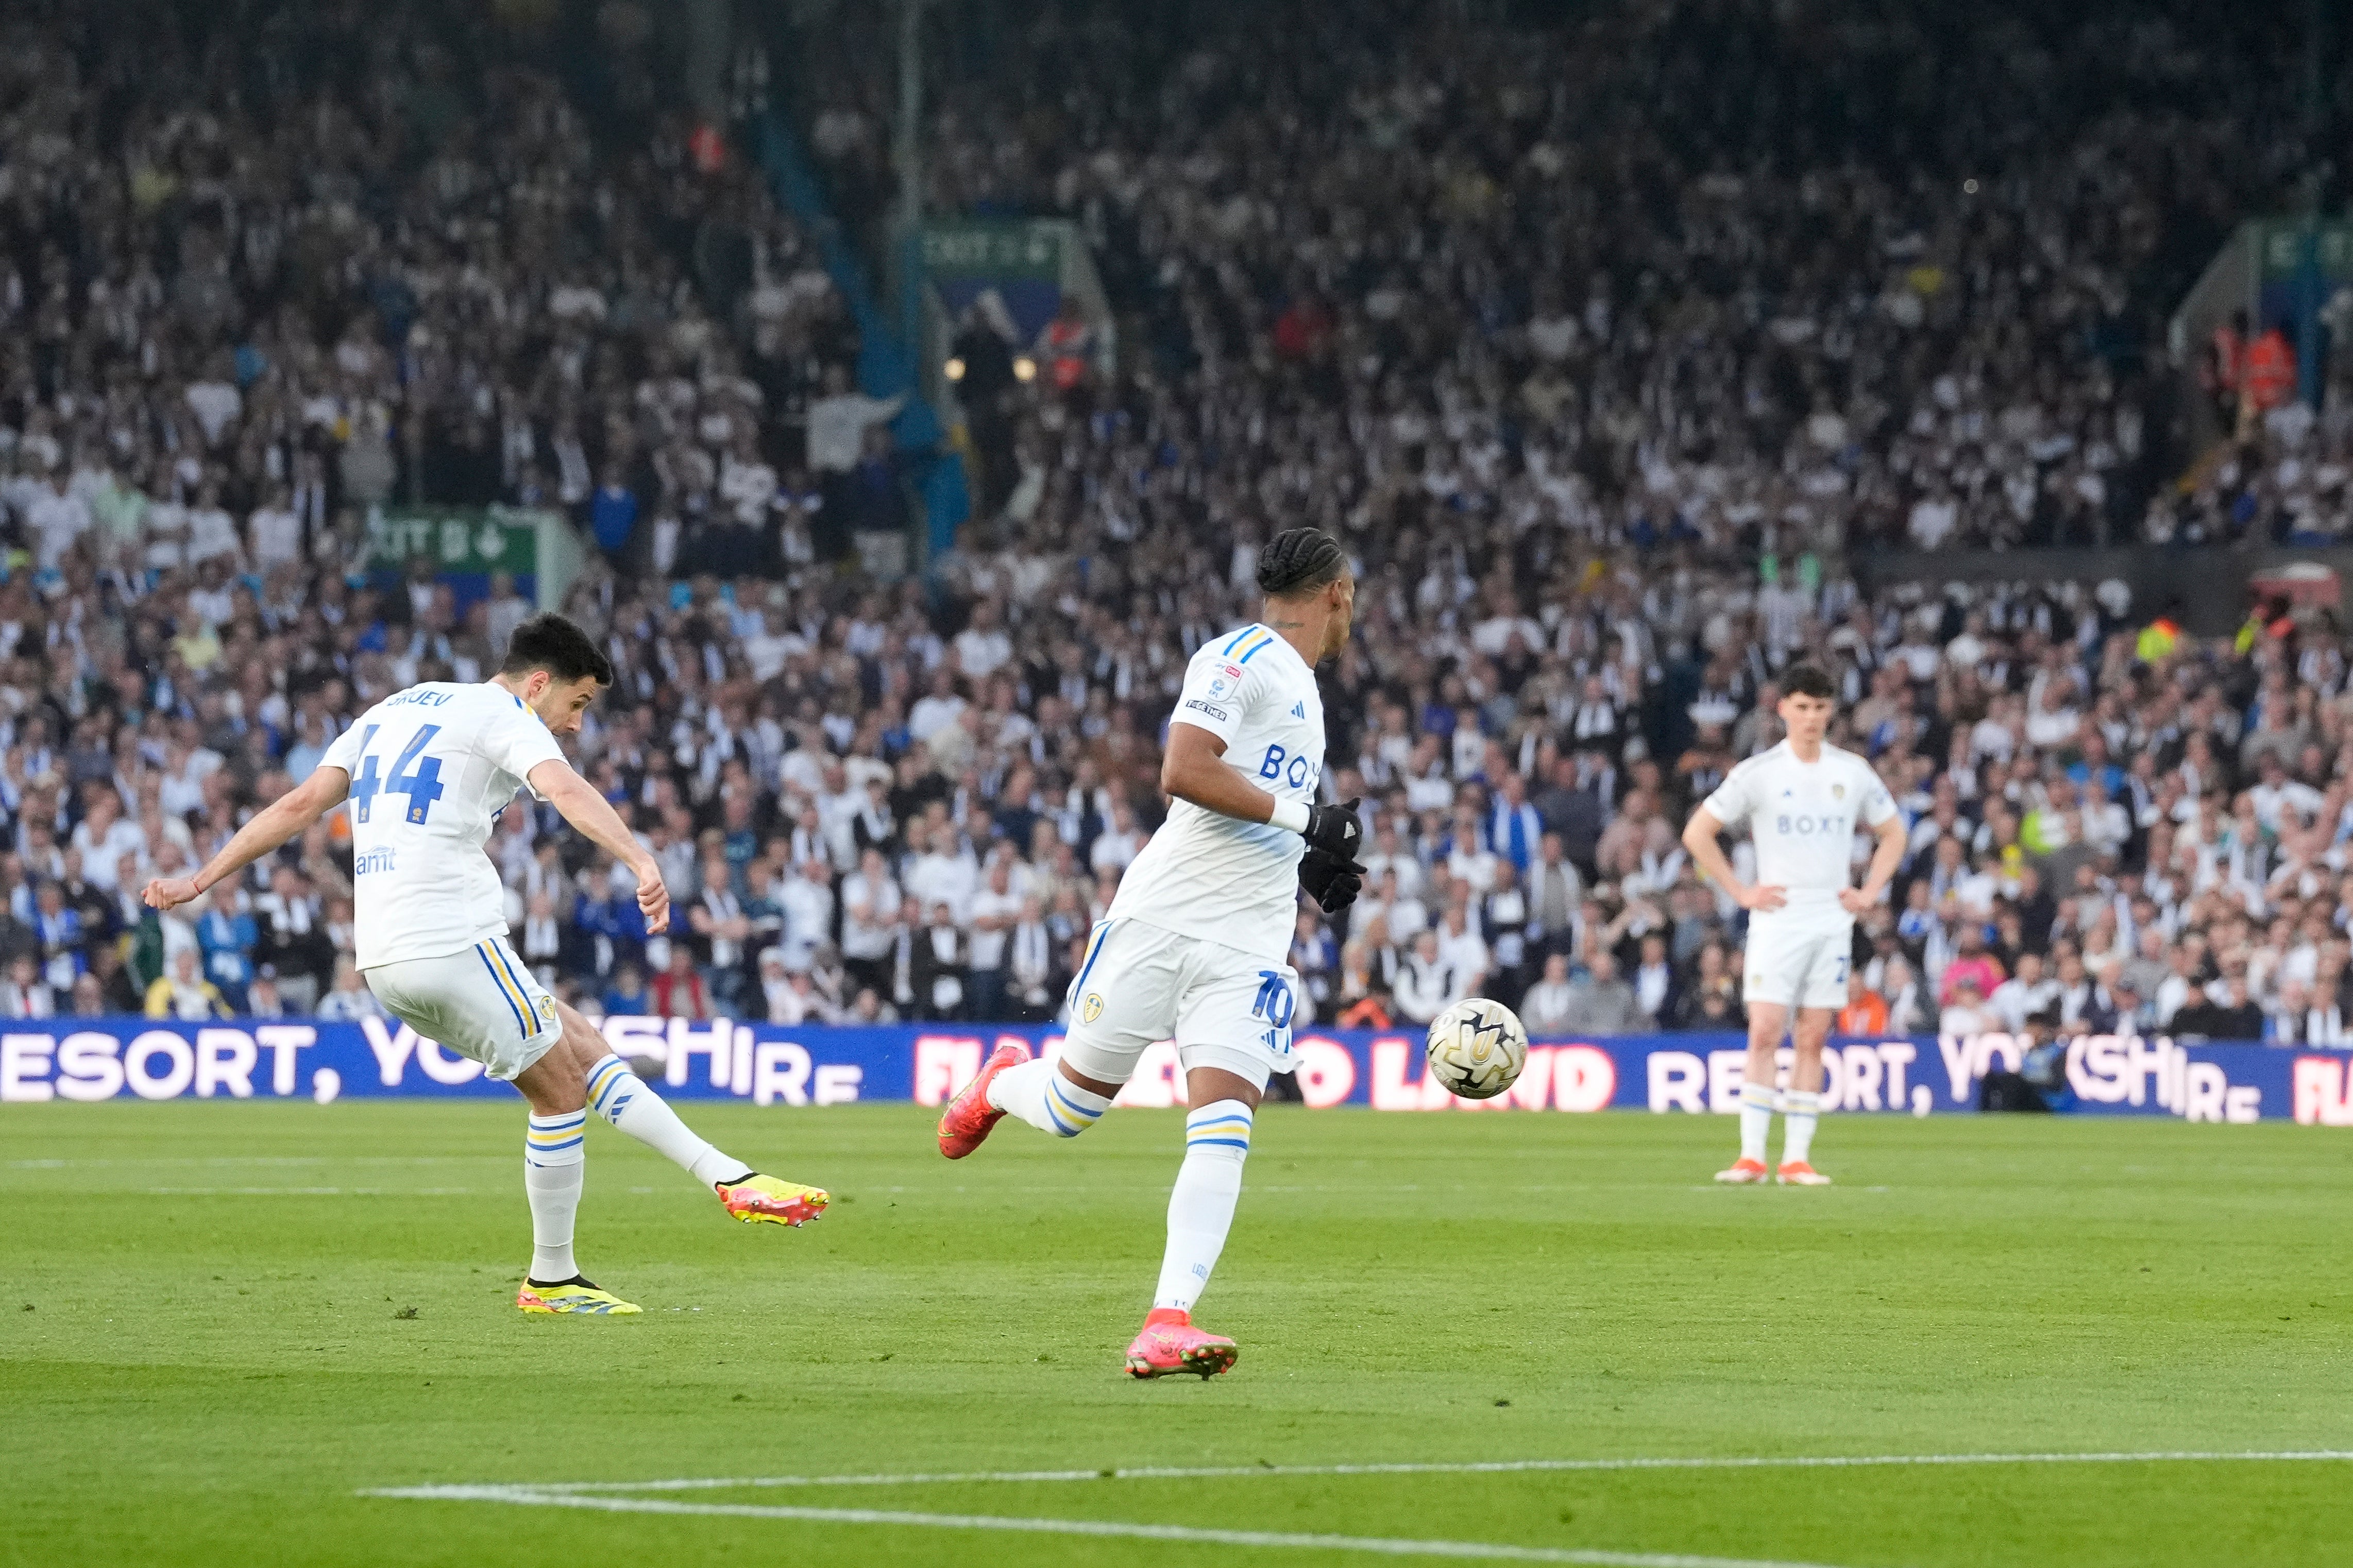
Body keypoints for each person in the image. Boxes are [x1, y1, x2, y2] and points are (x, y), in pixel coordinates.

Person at [143, 613, 829, 1316]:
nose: (574, 725)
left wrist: (203, 878)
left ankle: (729, 1177)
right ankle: (554, 1278)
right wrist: (640, 859)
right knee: (561, 1089)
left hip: (383, 956)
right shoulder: (504, 712)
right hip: (452, 938)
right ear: (538, 684)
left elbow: (298, 804)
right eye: (576, 704)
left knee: (581, 1044)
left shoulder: (391, 710)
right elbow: (565, 791)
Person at [933, 526, 1364, 1379]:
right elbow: (1182, 769)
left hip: (1248, 942)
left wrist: (1308, 855)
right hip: (1163, 920)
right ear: (1337, 596)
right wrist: (1306, 819)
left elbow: (1252, 798)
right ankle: (998, 1083)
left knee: (1226, 1123)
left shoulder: (1306, 693)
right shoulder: (1237, 656)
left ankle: (1167, 1317)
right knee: (1066, 1107)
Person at [1681, 663, 1907, 1187]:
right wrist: (1739, 891)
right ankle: (1751, 1155)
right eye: (1802, 707)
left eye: (1820, 708)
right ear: (1782, 708)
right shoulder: (1758, 772)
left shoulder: (1851, 772)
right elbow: (1698, 832)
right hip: (1777, 917)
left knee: (1812, 1035)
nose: (1810, 718)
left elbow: (1893, 834)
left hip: (1829, 918)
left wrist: (1869, 891)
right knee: (1764, 1029)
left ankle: (1798, 1158)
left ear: (1831, 712)